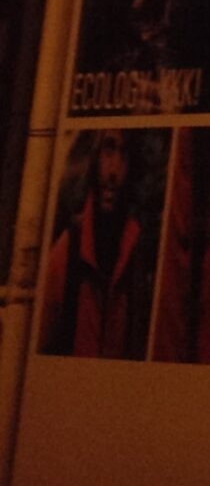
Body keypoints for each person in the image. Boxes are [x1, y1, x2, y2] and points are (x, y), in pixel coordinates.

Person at [38, 130, 152, 359]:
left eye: (124, 155)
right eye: (108, 150)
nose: (114, 171)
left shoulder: (139, 256)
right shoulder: (68, 250)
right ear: (94, 158)